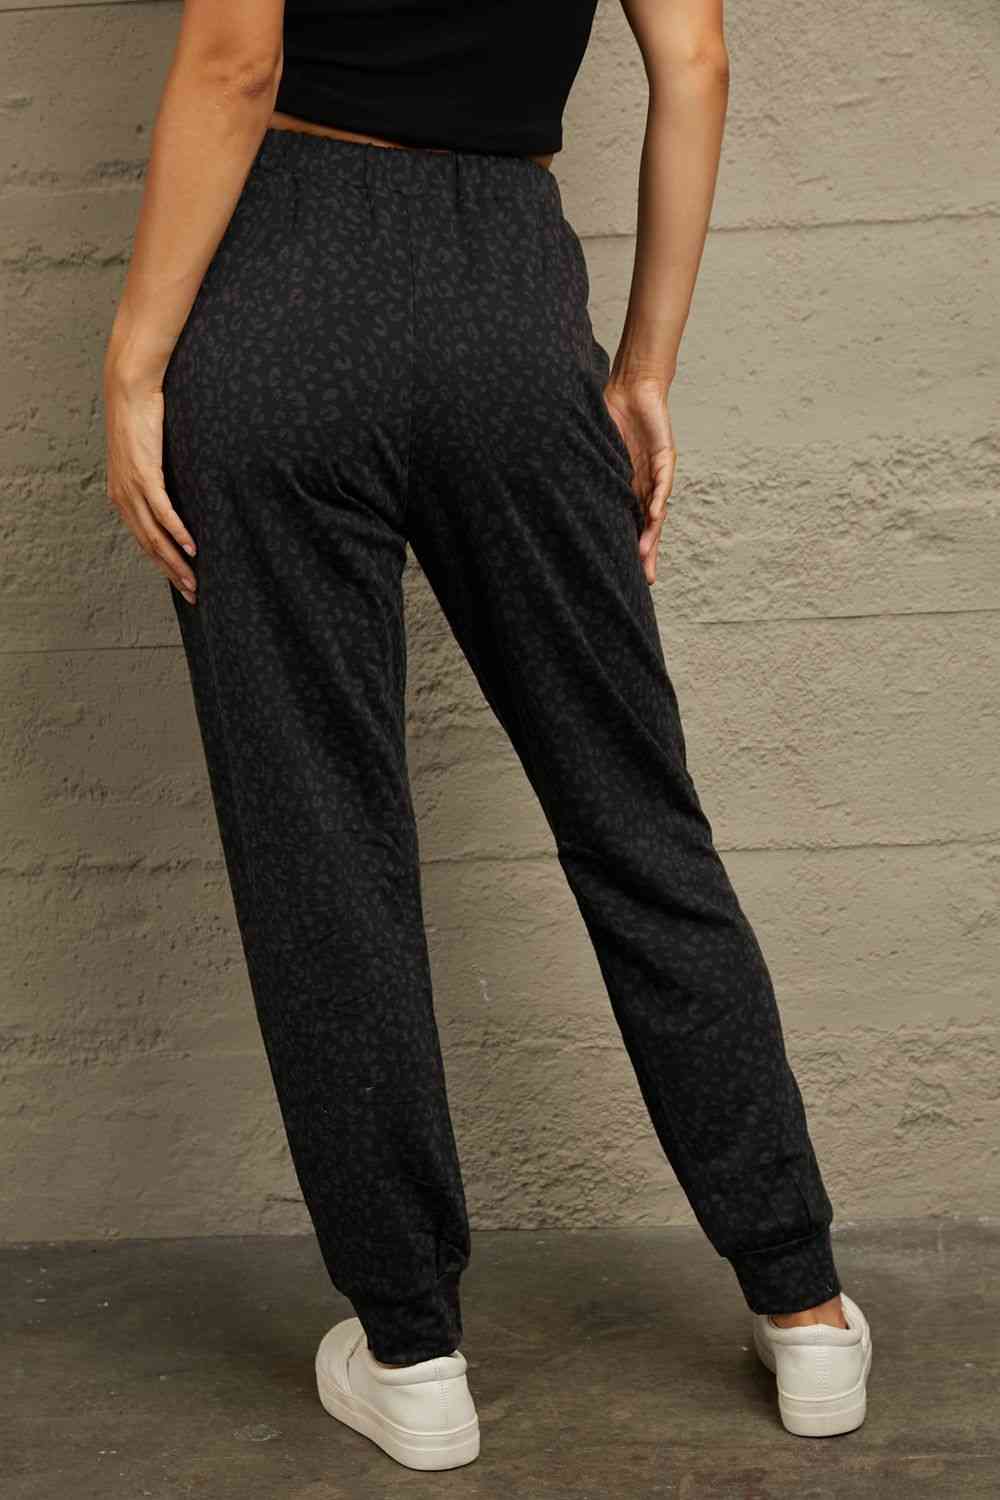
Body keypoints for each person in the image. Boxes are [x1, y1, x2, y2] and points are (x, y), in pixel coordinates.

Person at [101, 0, 873, 1473]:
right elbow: (695, 61)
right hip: (509, 303)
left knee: (323, 848)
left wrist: (137, 360)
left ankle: (412, 1353)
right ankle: (805, 1306)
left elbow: (236, 59)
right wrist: (643, 369)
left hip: (278, 290)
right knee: (636, 820)